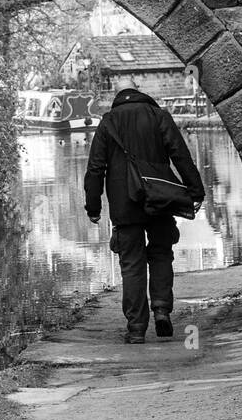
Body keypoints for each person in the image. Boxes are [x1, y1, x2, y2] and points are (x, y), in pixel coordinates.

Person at [84, 84, 206, 344]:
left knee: (131, 265)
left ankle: (137, 328)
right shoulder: (159, 116)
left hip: (124, 204)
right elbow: (180, 156)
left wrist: (93, 207)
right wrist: (195, 191)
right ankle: (161, 309)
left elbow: (95, 168)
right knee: (162, 253)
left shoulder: (108, 122)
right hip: (159, 198)